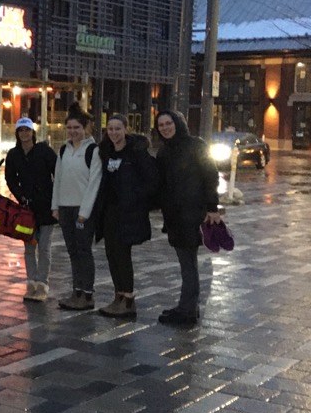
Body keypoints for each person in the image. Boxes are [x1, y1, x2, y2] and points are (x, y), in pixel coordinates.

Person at [153, 110, 221, 325]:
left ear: (178, 123)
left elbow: (210, 175)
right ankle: (188, 306)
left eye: (168, 123)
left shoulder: (196, 145)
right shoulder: (163, 153)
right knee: (186, 262)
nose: (165, 127)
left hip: (193, 213)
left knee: (188, 262)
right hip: (174, 215)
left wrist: (212, 207)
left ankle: (188, 310)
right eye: (161, 125)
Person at [93, 114, 158, 318]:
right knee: (111, 253)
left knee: (122, 255)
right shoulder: (107, 152)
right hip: (110, 212)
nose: (113, 133)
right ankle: (118, 295)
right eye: (110, 129)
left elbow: (151, 182)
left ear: (126, 129)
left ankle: (128, 299)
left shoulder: (137, 152)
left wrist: (134, 198)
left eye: (117, 129)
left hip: (128, 212)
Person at [52, 103, 103, 310]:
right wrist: (55, 206)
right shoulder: (63, 149)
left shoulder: (93, 150)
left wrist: (84, 212)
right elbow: (58, 179)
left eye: (77, 128)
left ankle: (88, 294)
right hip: (65, 208)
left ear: (86, 128)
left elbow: (94, 183)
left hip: (83, 210)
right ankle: (77, 291)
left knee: (84, 250)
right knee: (72, 251)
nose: (73, 132)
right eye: (70, 128)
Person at [4, 117, 58, 303]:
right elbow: (10, 179)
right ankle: (31, 282)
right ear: (17, 133)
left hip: (46, 205)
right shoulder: (14, 154)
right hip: (27, 207)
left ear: (33, 132)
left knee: (44, 247)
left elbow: (57, 173)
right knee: (29, 246)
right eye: (21, 131)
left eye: (27, 130)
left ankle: (42, 283)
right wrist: (21, 196)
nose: (24, 134)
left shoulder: (43, 151)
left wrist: (55, 200)